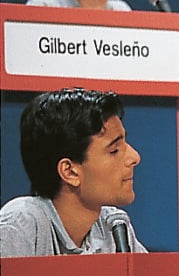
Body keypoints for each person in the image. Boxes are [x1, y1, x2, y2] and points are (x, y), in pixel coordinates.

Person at [0, 88, 145, 256]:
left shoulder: (114, 226)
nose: (134, 157)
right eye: (114, 150)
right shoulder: (20, 226)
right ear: (70, 172)